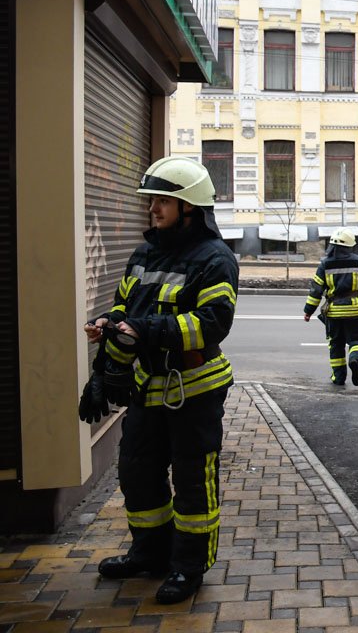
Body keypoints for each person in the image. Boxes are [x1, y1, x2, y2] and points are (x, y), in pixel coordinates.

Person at [78, 156, 239, 604]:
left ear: (189, 207)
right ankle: (150, 553)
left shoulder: (215, 259)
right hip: (149, 387)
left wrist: (145, 330)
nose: (152, 207)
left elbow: (211, 324)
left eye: (162, 200)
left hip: (196, 389)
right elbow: (126, 308)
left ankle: (189, 568)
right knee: (137, 471)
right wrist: (108, 323)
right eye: (152, 199)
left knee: (192, 481)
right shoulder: (144, 254)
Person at [303, 228, 358, 386]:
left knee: (336, 344)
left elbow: (316, 290)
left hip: (334, 312)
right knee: (356, 340)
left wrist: (308, 311)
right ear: (350, 245)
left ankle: (339, 377)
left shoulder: (325, 264)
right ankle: (355, 359)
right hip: (355, 310)